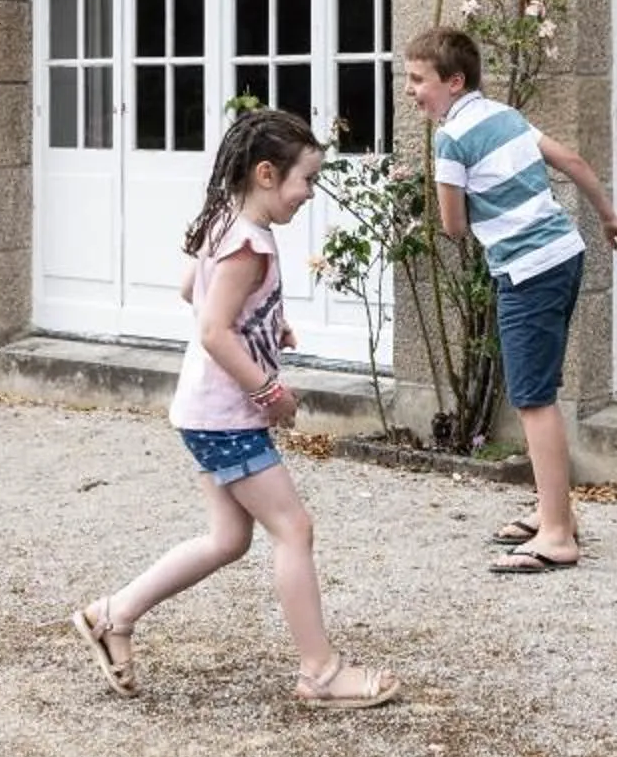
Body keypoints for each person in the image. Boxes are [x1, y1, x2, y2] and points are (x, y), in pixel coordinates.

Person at [70, 108, 398, 710]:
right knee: (293, 529)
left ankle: (112, 615)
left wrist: (271, 327)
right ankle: (320, 672)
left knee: (228, 538)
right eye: (307, 180)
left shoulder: (225, 221)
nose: (309, 194)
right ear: (268, 174)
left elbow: (192, 289)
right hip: (224, 414)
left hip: (203, 411)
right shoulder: (248, 243)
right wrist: (269, 391)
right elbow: (214, 330)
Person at [404, 26, 617, 575]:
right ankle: (551, 509)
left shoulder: (451, 137)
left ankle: (557, 535)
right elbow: (574, 162)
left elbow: (454, 227)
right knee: (538, 391)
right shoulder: (503, 116)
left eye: (418, 80)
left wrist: (453, 191)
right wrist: (609, 216)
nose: (411, 91)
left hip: (528, 271)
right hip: (566, 253)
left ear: (453, 81)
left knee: (533, 398)